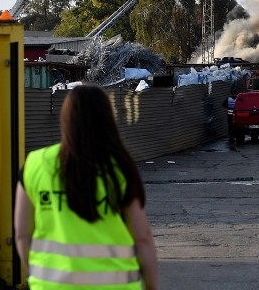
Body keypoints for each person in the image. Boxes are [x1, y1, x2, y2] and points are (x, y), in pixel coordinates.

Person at [14, 84, 159, 289]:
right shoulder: (118, 167)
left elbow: (22, 234)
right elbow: (142, 237)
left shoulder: (35, 164)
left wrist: (39, 276)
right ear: (107, 119)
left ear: (66, 119)